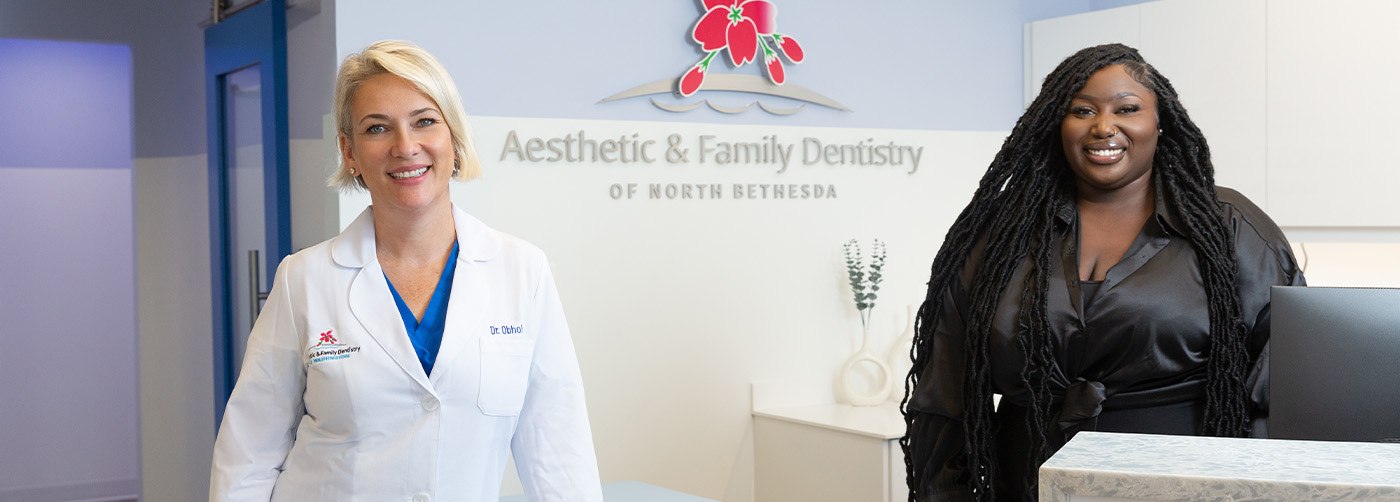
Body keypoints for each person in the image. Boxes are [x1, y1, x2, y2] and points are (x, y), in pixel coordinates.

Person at [900, 43, 1304, 501]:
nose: (1104, 126)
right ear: (1058, 124)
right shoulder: (1002, 235)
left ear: (1159, 121)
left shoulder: (1227, 225)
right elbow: (945, 389)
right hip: (1028, 482)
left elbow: (1282, 381)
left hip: (1183, 484)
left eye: (1126, 109)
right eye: (1082, 110)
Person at [209, 40, 604, 501]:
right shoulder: (304, 279)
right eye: (377, 128)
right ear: (350, 152)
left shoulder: (521, 271)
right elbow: (248, 455)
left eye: (425, 122)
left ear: (453, 138)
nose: (405, 146)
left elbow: (558, 453)